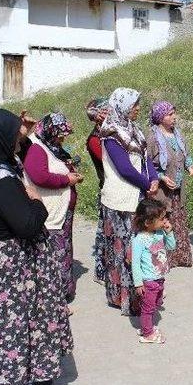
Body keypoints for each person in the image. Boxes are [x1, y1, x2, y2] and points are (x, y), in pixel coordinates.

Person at [0, 108, 73, 385]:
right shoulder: (0, 181)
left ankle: (30, 375)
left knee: (14, 329)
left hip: (3, 269)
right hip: (13, 273)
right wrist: (38, 202)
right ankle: (31, 378)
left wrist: (23, 132)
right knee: (20, 328)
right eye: (13, 136)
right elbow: (27, 224)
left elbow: (21, 153)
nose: (18, 141)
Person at [95, 87, 158, 316]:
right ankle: (124, 298)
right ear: (122, 106)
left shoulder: (135, 130)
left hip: (137, 196)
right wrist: (145, 183)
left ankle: (139, 295)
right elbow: (124, 168)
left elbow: (145, 158)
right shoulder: (111, 133)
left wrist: (153, 179)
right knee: (122, 251)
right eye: (134, 105)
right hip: (120, 200)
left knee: (137, 249)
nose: (138, 108)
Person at [24, 112, 83, 301]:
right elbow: (39, 176)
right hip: (51, 210)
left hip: (62, 208)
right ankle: (54, 296)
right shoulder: (36, 148)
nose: (62, 138)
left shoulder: (50, 146)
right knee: (54, 252)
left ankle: (63, 292)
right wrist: (66, 179)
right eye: (60, 134)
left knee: (64, 248)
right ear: (50, 131)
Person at [147, 101, 193, 268]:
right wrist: (161, 177)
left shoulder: (178, 135)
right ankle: (163, 261)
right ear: (160, 117)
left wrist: (190, 166)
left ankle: (179, 258)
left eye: (174, 113)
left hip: (178, 191)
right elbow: (147, 165)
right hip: (162, 192)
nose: (174, 117)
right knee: (162, 221)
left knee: (178, 222)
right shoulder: (153, 138)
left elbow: (186, 155)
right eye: (169, 114)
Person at [131, 199, 176, 345]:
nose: (165, 221)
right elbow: (135, 263)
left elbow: (171, 247)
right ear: (148, 222)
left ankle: (146, 326)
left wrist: (169, 233)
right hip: (148, 280)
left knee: (156, 303)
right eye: (161, 218)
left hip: (159, 277)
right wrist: (138, 283)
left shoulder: (159, 233)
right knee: (148, 308)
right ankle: (147, 333)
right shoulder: (139, 240)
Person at [86, 97, 110, 285]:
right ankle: (101, 271)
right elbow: (109, 162)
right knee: (106, 231)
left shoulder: (112, 133)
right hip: (108, 188)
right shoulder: (95, 139)